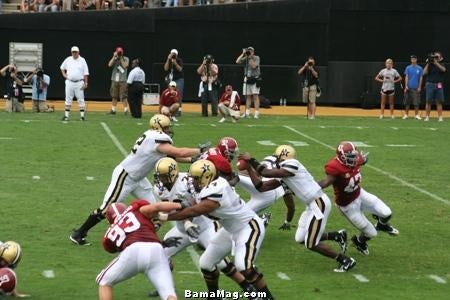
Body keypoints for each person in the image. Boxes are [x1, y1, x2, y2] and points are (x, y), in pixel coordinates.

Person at [70, 114, 208, 246]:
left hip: (139, 178)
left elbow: (170, 155)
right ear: (158, 127)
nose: (168, 130)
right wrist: (198, 150)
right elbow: (177, 152)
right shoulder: (156, 138)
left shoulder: (151, 137)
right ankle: (79, 233)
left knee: (154, 209)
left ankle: (147, 238)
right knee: (106, 209)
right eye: (166, 128)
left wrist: (191, 160)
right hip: (126, 176)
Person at [160, 160, 275, 300]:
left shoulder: (217, 189)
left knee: (243, 266)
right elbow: (192, 203)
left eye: (196, 178)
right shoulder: (205, 186)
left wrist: (164, 216)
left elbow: (195, 210)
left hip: (248, 226)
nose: (193, 182)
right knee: (206, 263)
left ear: (206, 177)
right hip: (229, 229)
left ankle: (267, 297)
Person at [239, 145, 355, 273]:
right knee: (300, 238)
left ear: (281, 156)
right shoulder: (284, 172)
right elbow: (261, 187)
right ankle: (337, 235)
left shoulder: (292, 164)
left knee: (311, 243)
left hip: (319, 203)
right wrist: (249, 169)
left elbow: (265, 172)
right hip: (311, 205)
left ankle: (345, 260)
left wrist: (251, 160)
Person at [317, 141, 399, 256]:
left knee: (387, 212)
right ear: (342, 157)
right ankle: (359, 242)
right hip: (347, 206)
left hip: (360, 194)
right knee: (371, 233)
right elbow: (326, 182)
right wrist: (311, 187)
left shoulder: (355, 159)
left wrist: (363, 160)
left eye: (354, 156)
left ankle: (382, 225)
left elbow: (362, 160)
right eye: (351, 157)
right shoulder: (335, 167)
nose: (354, 159)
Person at [97, 200, 181, 300]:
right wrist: (180, 205)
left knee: (104, 281)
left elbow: (115, 246)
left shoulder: (108, 235)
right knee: (168, 294)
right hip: (156, 249)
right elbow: (158, 206)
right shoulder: (135, 208)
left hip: (132, 252)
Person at [60, 46, 89, 121]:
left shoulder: (82, 60)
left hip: (79, 82)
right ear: (71, 52)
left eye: (75, 52)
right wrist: (64, 74)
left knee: (81, 99)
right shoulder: (68, 59)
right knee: (68, 99)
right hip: (69, 82)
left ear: (78, 52)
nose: (74, 53)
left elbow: (86, 72)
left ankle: (82, 116)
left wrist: (86, 82)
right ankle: (66, 116)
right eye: (73, 52)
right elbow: (62, 67)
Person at [236, 47, 261, 119]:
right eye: (249, 51)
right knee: (248, 96)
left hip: (255, 78)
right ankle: (247, 113)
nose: (250, 53)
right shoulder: (246, 58)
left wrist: (250, 57)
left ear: (253, 52)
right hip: (247, 78)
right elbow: (237, 61)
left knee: (255, 96)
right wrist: (243, 54)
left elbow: (253, 66)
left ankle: (256, 113)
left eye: (251, 51)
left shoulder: (257, 58)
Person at [424, 51, 446, 122]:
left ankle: (440, 117)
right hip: (430, 84)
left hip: (439, 84)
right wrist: (428, 63)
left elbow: (444, 70)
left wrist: (436, 63)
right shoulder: (430, 64)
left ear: (440, 58)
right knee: (428, 101)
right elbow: (424, 73)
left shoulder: (442, 64)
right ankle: (427, 117)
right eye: (434, 57)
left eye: (437, 57)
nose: (435, 58)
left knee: (439, 101)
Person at [107, 46, 129, 115]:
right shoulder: (115, 58)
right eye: (118, 52)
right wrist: (114, 57)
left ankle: (125, 110)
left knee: (124, 96)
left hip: (123, 80)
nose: (119, 53)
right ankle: (113, 110)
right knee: (114, 95)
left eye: (120, 52)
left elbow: (125, 66)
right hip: (114, 79)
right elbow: (109, 65)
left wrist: (121, 58)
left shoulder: (126, 58)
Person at [163, 49, 184, 116]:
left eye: (174, 54)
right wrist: (167, 59)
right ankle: (170, 110)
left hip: (178, 79)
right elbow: (165, 69)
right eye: (172, 53)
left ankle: (178, 110)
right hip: (171, 79)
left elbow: (180, 69)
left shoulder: (179, 60)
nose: (173, 55)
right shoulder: (169, 60)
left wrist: (175, 63)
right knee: (170, 94)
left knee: (178, 94)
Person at [403, 55, 423, 120]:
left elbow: (421, 78)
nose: (413, 60)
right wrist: (406, 86)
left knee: (416, 102)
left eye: (414, 59)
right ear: (411, 60)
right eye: (412, 59)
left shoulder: (420, 68)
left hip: (416, 87)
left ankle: (416, 115)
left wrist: (419, 87)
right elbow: (406, 77)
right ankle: (406, 115)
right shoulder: (408, 68)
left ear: (416, 60)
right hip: (408, 87)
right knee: (407, 102)